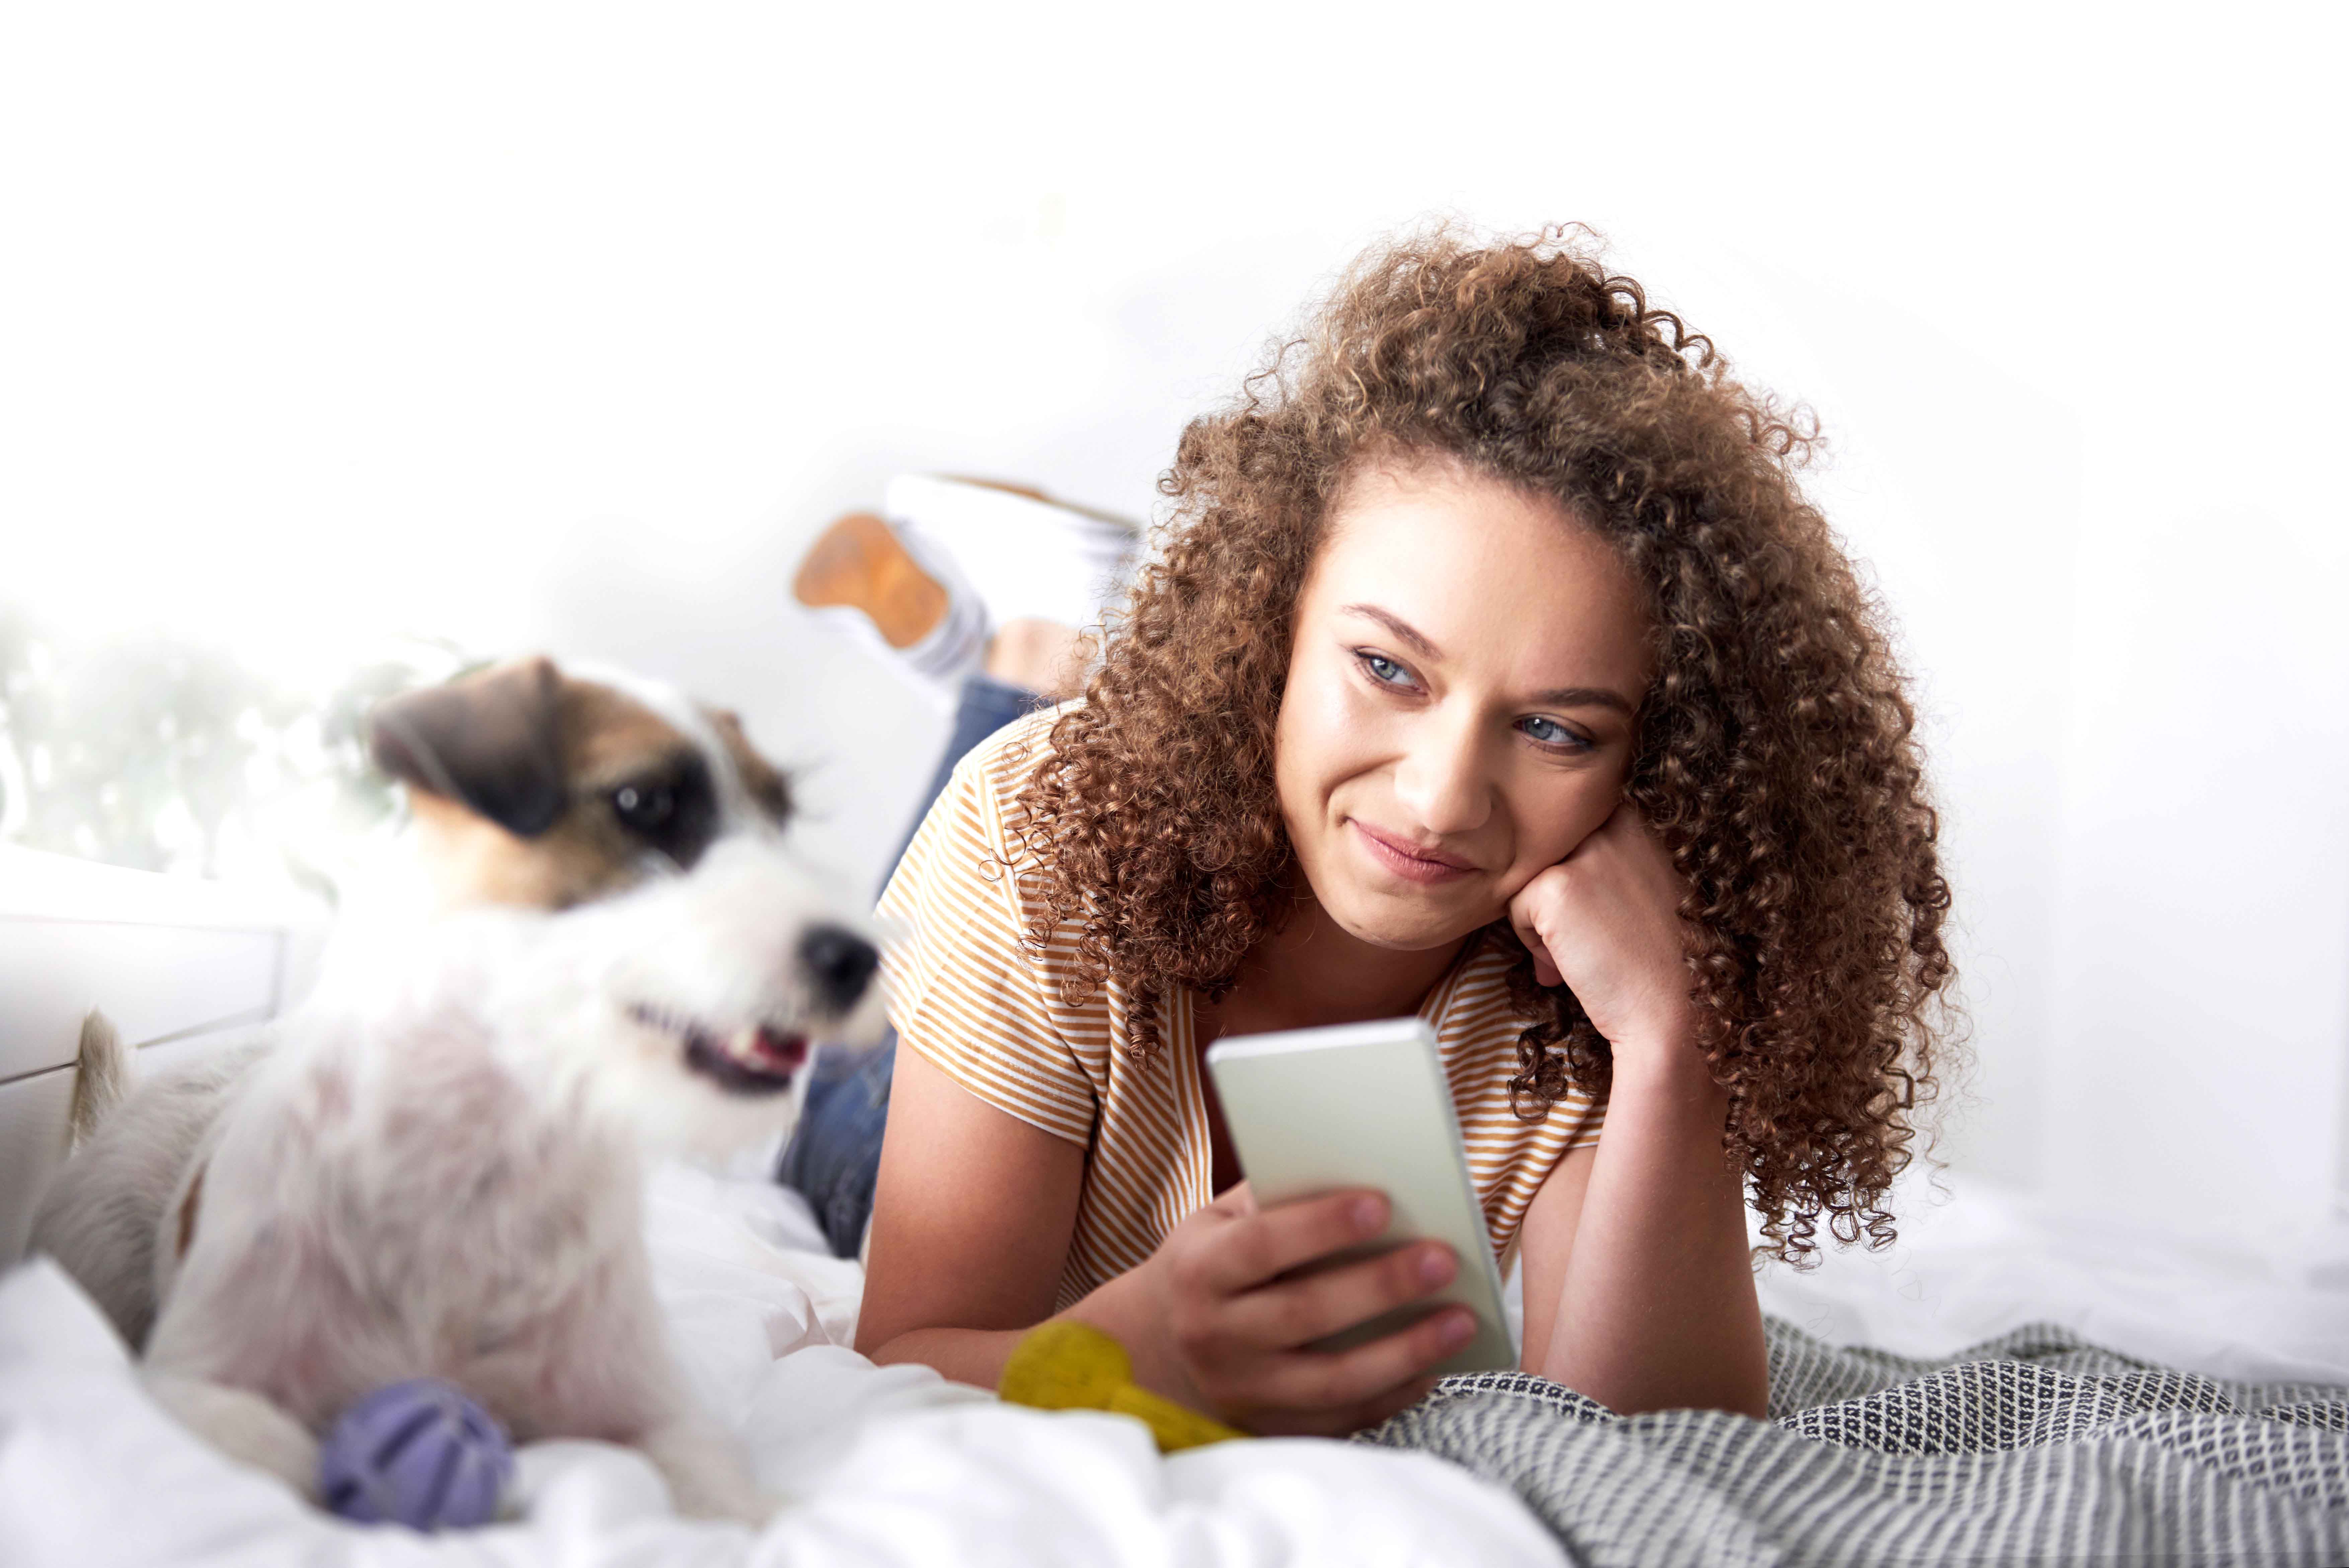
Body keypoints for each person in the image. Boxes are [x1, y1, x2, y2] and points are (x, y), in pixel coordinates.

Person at [794, 227, 1955, 1436]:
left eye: (1556, 729)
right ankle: (1028, 650)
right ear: (1270, 625)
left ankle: (1041, 642)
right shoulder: (1038, 831)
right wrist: (1127, 1359)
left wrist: (1673, 1034)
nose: (1444, 798)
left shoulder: (1587, 987)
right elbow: (904, 1357)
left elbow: (1652, 1445)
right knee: (870, 1046)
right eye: (1387, 667)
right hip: (930, 1057)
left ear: (1656, 763)